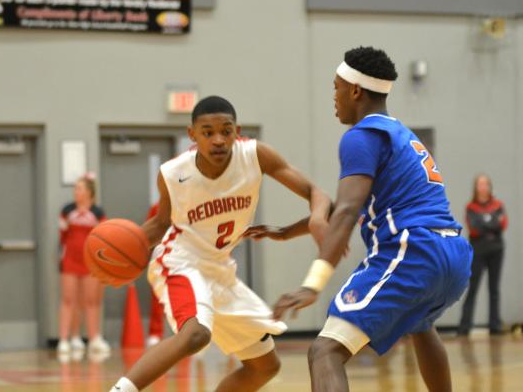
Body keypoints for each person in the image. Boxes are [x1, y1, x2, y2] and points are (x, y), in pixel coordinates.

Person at [270, 47, 473, 392]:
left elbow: (349, 211)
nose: (333, 97)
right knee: (422, 326)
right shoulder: (402, 136)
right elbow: (355, 207)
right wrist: (289, 231)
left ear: (355, 91)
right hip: (453, 253)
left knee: (324, 351)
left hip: (414, 251)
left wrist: (313, 283)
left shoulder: (361, 136)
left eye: (335, 87)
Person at [109, 95, 331, 392]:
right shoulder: (174, 174)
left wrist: (313, 219)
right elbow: (161, 225)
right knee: (196, 334)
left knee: (265, 366)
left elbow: (316, 193)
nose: (218, 140)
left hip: (220, 269)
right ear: (192, 135)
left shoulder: (255, 156)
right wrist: (122, 251)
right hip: (180, 261)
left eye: (226, 131)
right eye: (208, 132)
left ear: (236, 131)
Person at [57, 174, 111, 354]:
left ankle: (94, 338)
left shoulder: (98, 213)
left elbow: (103, 239)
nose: (75, 191)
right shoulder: (67, 211)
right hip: (70, 260)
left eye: (79, 188)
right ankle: (65, 339)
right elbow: (63, 236)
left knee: (91, 301)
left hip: (90, 262)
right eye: (75, 188)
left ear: (89, 192)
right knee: (68, 300)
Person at [458, 174, 508, 335]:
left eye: (485, 184)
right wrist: (491, 224)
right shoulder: (470, 207)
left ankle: (495, 325)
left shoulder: (498, 205)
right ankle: (465, 326)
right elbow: (474, 228)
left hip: (496, 248)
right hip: (478, 249)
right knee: (473, 287)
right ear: (476, 187)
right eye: (480, 184)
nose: (483, 187)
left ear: (490, 186)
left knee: (494, 288)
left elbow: (503, 224)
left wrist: (485, 224)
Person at [144, 201, 165, 348]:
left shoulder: (188, 201)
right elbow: (148, 235)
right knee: (157, 297)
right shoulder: (156, 207)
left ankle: (186, 332)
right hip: (161, 256)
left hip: (185, 257)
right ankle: (155, 333)